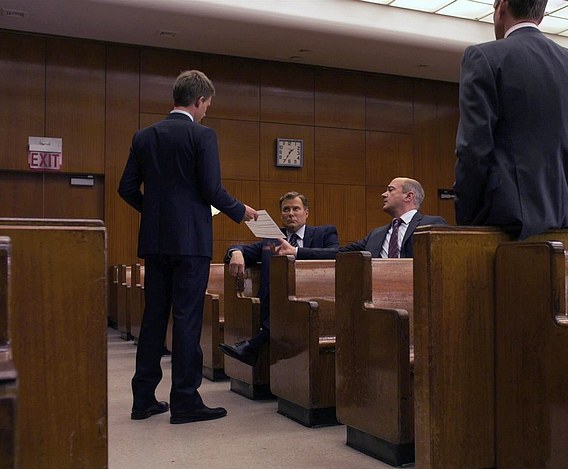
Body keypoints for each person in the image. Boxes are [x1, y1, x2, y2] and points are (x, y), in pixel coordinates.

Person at [119, 70, 258, 425]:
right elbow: (211, 189)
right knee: (186, 318)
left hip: (155, 242)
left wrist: (154, 213)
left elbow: (126, 188)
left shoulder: (144, 136)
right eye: (207, 105)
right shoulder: (202, 135)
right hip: (191, 242)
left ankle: (143, 400)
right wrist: (241, 211)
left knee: (153, 317)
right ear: (199, 100)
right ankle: (184, 401)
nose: (207, 111)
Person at [453, 0, 568, 240]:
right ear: (541, 14)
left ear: (502, 6)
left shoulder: (484, 57)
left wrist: (467, 220)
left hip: (506, 225)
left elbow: (473, 149)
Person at [218, 191, 339, 366]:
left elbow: (335, 254)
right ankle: (251, 347)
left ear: (306, 213)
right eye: (286, 209)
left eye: (296, 209)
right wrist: (236, 252)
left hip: (312, 301)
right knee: (283, 306)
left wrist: (296, 252)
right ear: (281, 215)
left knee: (292, 308)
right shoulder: (272, 240)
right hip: (273, 303)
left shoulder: (324, 233)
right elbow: (241, 249)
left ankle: (252, 347)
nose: (291, 214)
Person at [274, 177, 446, 259]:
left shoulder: (432, 224)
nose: (384, 194)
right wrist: (296, 251)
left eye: (390, 190)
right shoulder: (376, 235)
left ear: (409, 196)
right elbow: (338, 253)